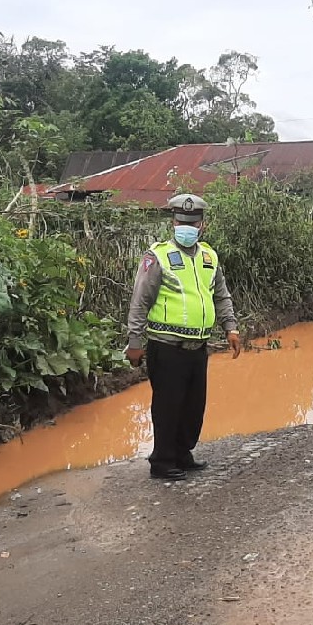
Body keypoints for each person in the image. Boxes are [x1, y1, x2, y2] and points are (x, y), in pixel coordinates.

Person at [125, 193, 241, 481]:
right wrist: (135, 342)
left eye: (192, 222)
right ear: (173, 223)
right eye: (180, 222)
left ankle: (182, 453)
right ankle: (162, 462)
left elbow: (221, 295)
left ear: (203, 225)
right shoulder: (158, 256)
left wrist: (231, 327)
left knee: (193, 406)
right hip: (166, 346)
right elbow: (140, 301)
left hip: (198, 346)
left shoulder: (209, 257)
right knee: (168, 406)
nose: (186, 227)